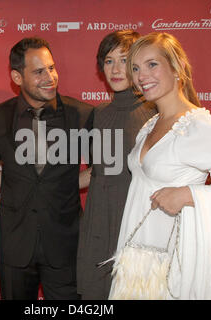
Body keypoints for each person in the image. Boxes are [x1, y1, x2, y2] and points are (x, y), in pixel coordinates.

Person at [109, 32, 211, 300]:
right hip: (136, 264)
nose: (142, 75)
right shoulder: (149, 126)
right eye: (136, 68)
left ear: (176, 67)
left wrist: (188, 195)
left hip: (173, 271)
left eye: (152, 64)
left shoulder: (200, 125)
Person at [0, 37, 94, 300]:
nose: (50, 77)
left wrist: (65, 183)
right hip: (14, 246)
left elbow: (99, 172)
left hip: (65, 243)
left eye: (52, 68)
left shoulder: (81, 114)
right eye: (38, 71)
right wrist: (15, 180)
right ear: (17, 76)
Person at [76, 30, 157, 300]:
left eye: (124, 60)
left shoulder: (156, 112)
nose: (116, 69)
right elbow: (98, 171)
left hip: (136, 220)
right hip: (99, 220)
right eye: (108, 61)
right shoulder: (99, 114)